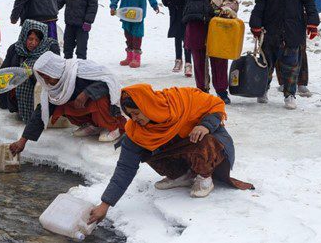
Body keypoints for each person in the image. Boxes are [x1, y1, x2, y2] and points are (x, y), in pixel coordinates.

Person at [88, 84, 254, 225]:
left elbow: (215, 106)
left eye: (136, 113)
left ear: (147, 105)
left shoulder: (180, 100)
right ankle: (182, 174)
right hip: (182, 150)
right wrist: (105, 204)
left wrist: (206, 125)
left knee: (203, 138)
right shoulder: (136, 130)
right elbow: (125, 167)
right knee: (145, 149)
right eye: (130, 115)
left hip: (210, 146)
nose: (134, 118)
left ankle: (205, 177)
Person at [250, 0, 319, 109]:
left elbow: (308, 1)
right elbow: (260, 2)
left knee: (292, 63)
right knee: (266, 62)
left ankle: (290, 94)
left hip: (293, 26)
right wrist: (256, 23)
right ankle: (262, 89)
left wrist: (312, 22)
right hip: (270, 25)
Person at [9, 52, 127, 151]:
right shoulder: (54, 89)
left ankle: (112, 127)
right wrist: (22, 141)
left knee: (99, 99)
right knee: (61, 105)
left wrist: (86, 93)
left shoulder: (80, 70)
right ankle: (95, 126)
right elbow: (41, 112)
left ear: (55, 71)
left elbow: (108, 82)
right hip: (90, 112)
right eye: (44, 79)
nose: (48, 82)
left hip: (110, 108)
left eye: (48, 77)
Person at [182, 0, 238, 104]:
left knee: (219, 55)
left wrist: (227, 7)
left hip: (218, 18)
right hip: (196, 18)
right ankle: (202, 90)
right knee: (198, 56)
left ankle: (221, 90)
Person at [0, 20, 60, 122]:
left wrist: (32, 74)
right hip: (16, 89)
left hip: (40, 89)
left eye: (37, 40)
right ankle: (19, 108)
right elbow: (4, 70)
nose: (33, 43)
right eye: (30, 39)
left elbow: (55, 75)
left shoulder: (50, 50)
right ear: (24, 36)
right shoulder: (15, 49)